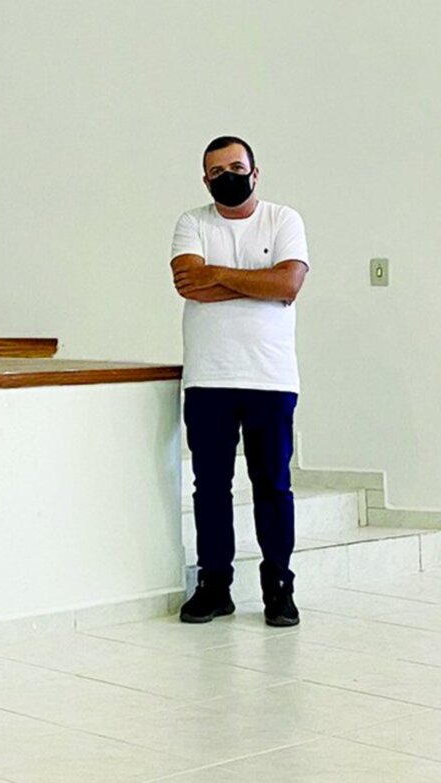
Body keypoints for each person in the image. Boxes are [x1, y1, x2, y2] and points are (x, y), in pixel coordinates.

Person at [171, 135, 309, 628]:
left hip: (270, 378)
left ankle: (278, 586)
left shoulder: (283, 219)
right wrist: (258, 281)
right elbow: (189, 282)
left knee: (272, 485)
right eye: (216, 170)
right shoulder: (192, 222)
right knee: (210, 487)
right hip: (209, 378)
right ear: (205, 179)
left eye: (236, 166)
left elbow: (289, 283)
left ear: (254, 172)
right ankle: (214, 586)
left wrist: (220, 277)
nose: (227, 176)